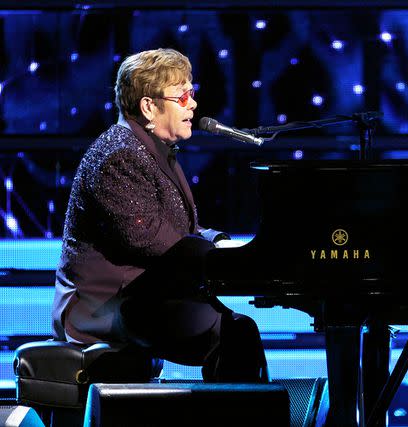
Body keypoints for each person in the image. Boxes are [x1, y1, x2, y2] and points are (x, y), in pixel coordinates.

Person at [51, 48, 268, 382]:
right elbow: (148, 237)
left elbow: (186, 230)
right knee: (233, 330)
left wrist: (222, 243)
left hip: (141, 295)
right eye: (182, 97)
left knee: (236, 328)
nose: (193, 105)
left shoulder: (152, 151)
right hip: (104, 304)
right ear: (149, 106)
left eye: (191, 95)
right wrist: (212, 255)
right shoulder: (119, 156)